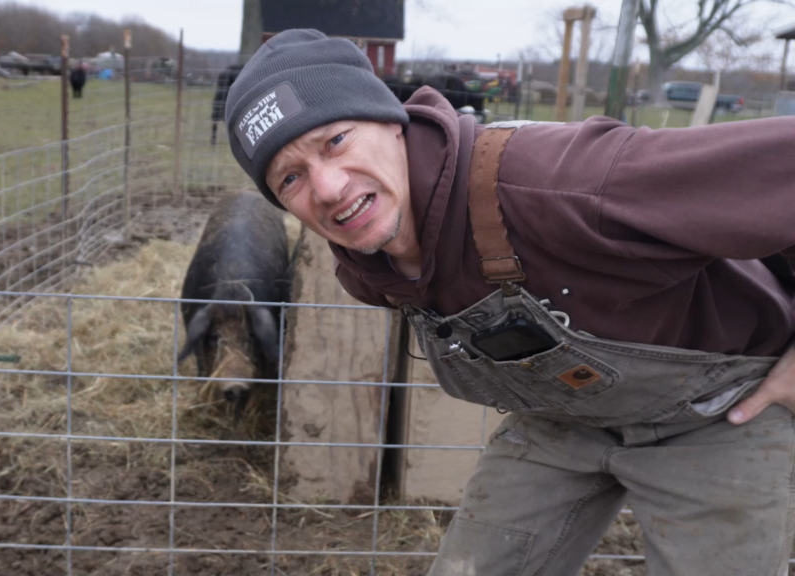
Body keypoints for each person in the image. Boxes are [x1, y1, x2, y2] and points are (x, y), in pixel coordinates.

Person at [223, 28, 795, 576]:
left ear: (390, 121)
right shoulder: (368, 270)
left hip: (720, 415)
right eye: (291, 179)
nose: (327, 188)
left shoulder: (568, 180)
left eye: (336, 141)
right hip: (565, 420)